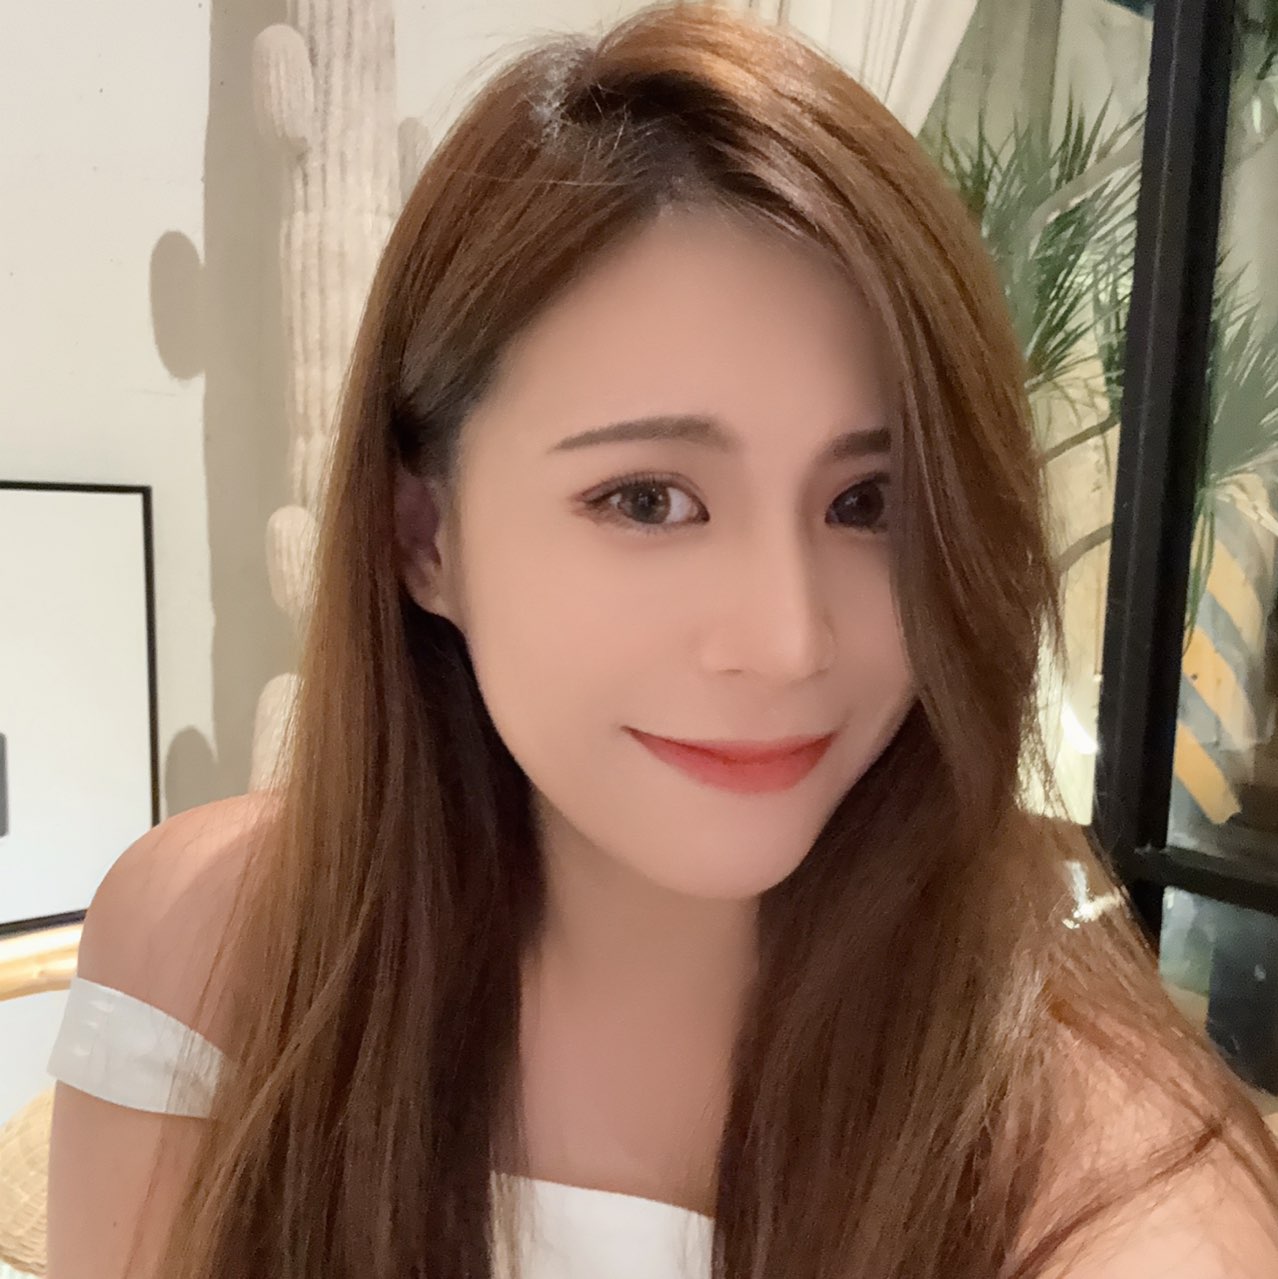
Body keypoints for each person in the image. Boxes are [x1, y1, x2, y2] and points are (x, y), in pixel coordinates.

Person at [42, 4, 1278, 1277]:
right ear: (424, 535)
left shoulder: (1096, 1159)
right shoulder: (205, 947)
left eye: (870, 503)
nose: (788, 641)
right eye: (647, 499)